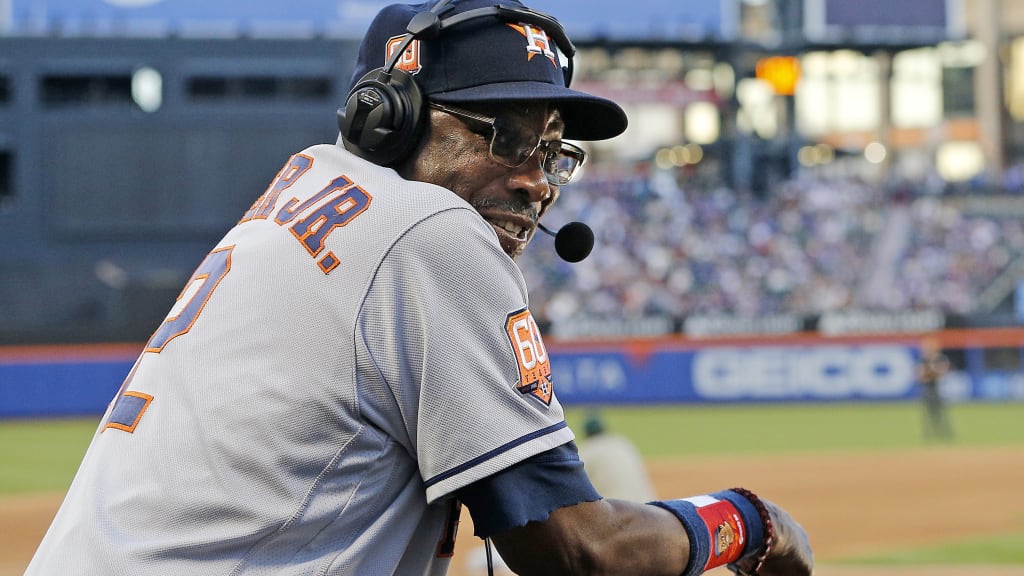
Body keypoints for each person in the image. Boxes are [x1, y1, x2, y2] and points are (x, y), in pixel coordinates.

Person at [27, 1, 814, 575]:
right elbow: (580, 552)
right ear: (390, 119)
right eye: (505, 134)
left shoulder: (312, 188)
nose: (537, 181)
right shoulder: (427, 230)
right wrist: (751, 521)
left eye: (551, 149)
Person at [576, 411, 657, 502]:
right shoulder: (622, 442)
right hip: (648, 506)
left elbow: (575, 482)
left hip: (618, 510)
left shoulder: (587, 449)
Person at [917, 336, 953, 441]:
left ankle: (945, 433)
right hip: (927, 390)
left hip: (937, 389)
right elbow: (921, 376)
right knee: (927, 414)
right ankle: (928, 435)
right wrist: (929, 372)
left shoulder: (938, 359)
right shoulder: (924, 360)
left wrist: (931, 372)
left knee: (941, 413)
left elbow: (941, 373)